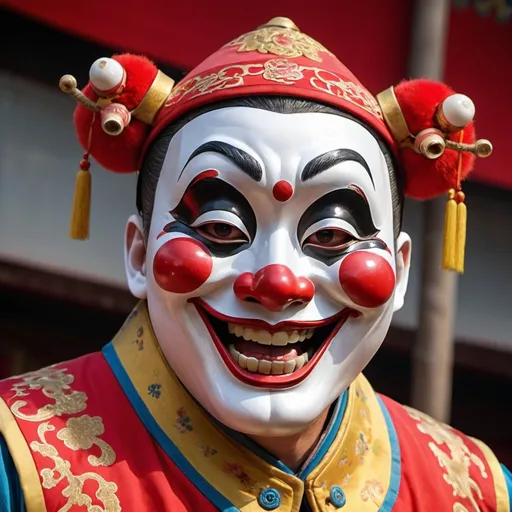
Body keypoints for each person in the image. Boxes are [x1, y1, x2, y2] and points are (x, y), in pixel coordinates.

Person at [0, 16, 509, 512]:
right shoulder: (18, 460)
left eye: (331, 235)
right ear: (137, 253)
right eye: (221, 227)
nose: (276, 282)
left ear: (399, 271)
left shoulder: (477, 491)